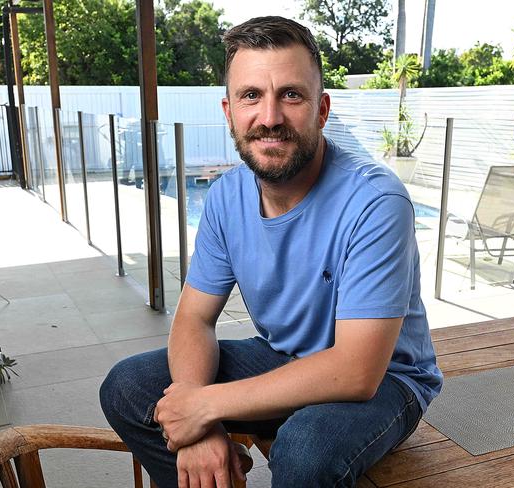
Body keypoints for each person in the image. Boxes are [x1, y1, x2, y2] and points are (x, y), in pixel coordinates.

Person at [100, 16, 442, 488]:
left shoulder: (375, 203)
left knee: (305, 450)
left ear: (322, 110)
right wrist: (199, 425)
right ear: (229, 111)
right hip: (281, 358)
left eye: (291, 95)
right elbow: (195, 319)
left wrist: (206, 406)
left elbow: (357, 371)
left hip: (387, 381)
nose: (270, 117)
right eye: (251, 96)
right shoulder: (225, 198)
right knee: (127, 386)